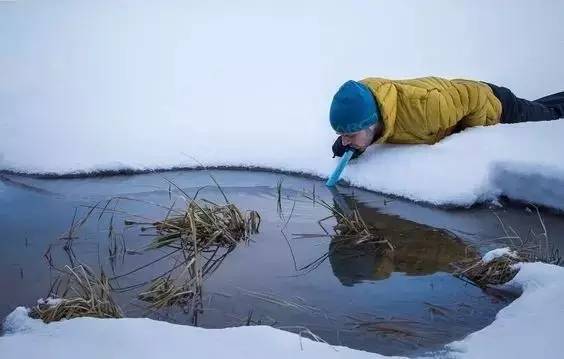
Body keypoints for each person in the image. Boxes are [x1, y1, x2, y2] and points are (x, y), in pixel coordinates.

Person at [330, 77, 564, 158]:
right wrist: (349, 143)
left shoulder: (426, 109)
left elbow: (475, 96)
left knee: (550, 116)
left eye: (349, 135)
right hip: (457, 98)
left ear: (372, 124)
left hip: (495, 104)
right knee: (541, 107)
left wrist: (472, 136)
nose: (345, 140)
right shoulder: (365, 101)